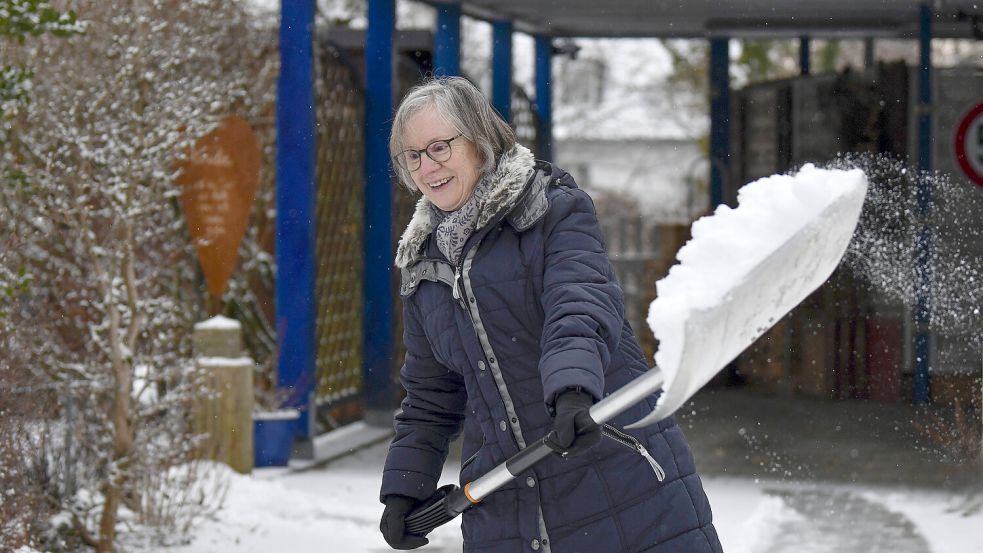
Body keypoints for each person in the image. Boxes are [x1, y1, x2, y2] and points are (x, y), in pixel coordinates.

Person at [379, 76, 722, 553]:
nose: (427, 167)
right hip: (509, 512)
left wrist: (573, 391)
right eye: (413, 156)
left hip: (618, 483)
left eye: (439, 147)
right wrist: (404, 489)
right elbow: (431, 394)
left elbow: (579, 305)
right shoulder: (422, 265)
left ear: (479, 139)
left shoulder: (551, 211)